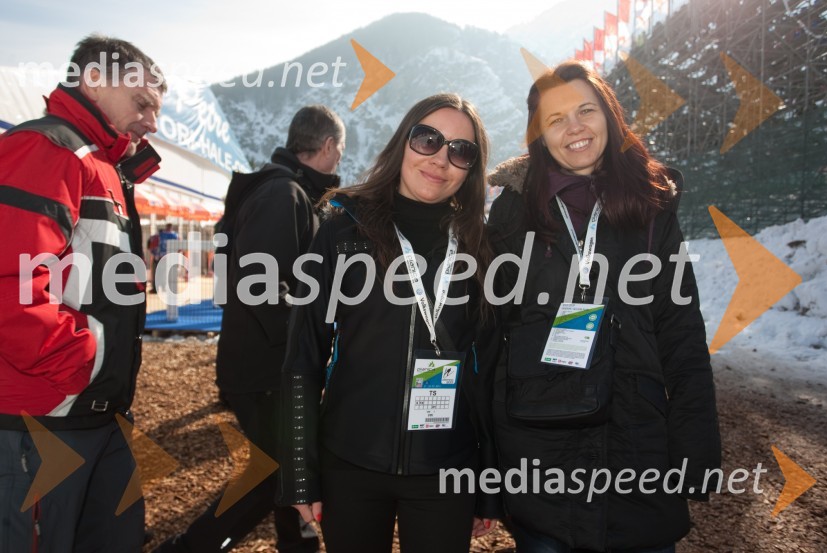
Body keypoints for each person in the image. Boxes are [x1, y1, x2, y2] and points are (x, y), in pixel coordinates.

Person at [487, 61, 721, 553]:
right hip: (540, 456)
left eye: (585, 110)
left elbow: (681, 332)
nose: (574, 127)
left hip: (638, 453)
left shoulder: (651, 206)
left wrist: (695, 448)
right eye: (555, 119)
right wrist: (489, 465)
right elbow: (488, 338)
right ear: (540, 136)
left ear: (609, 117)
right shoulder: (513, 211)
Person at [276, 93, 502, 553]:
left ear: (471, 169)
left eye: (461, 150)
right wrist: (300, 471)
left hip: (447, 468)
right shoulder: (344, 229)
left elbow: (491, 371)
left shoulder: (480, 244)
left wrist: (491, 482)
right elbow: (304, 355)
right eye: (428, 139)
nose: (441, 158)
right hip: (351, 463)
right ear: (403, 141)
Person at [0, 35, 165, 551]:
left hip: (94, 410)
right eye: (143, 104)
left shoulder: (104, 168)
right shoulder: (46, 149)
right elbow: (11, 285)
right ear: (94, 79)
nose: (152, 123)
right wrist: (80, 361)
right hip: (46, 416)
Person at [155, 105, 345, 553]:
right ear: (329, 146)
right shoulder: (283, 195)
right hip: (267, 367)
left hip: (262, 361)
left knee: (286, 470)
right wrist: (304, 346)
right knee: (276, 472)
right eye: (340, 150)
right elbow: (262, 286)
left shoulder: (278, 190)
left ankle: (297, 547)